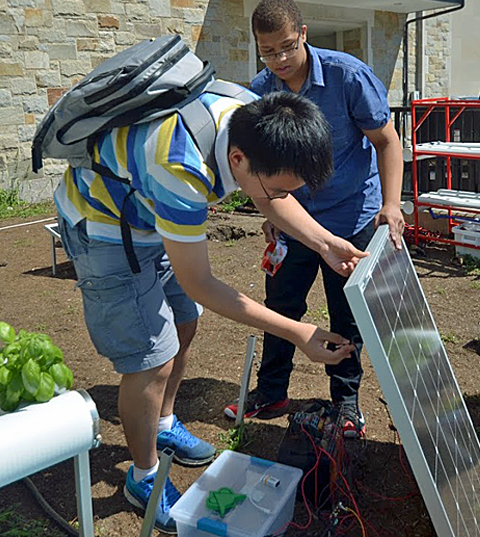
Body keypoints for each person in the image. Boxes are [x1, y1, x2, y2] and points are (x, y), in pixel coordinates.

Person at [55, 89, 366, 533]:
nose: (280, 197)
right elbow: (199, 282)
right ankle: (142, 474)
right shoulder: (180, 168)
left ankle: (161, 423)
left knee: (185, 322)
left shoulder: (249, 117)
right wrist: (298, 332)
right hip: (104, 225)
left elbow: (269, 196)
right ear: (237, 160)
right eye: (278, 187)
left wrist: (325, 243)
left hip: (147, 211)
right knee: (150, 357)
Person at [222, 0, 405, 438]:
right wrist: (269, 208)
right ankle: (271, 392)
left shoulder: (348, 76)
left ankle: (346, 402)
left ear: (303, 33)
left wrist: (393, 204)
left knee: (347, 315)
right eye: (268, 51)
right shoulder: (262, 90)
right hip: (295, 219)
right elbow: (260, 167)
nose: (280, 60)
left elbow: (387, 140)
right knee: (281, 306)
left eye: (287, 46)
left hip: (351, 216)